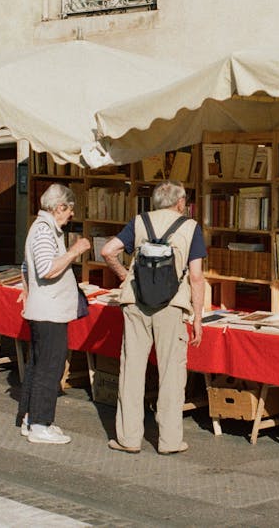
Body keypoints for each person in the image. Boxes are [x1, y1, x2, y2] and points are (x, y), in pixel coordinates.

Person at [100, 180, 206, 455]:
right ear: (181, 203)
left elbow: (107, 251)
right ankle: (170, 440)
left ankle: (129, 438)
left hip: (136, 303)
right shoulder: (190, 228)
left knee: (132, 369)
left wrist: (125, 276)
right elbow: (196, 276)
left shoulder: (138, 222)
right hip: (172, 306)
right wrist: (197, 317)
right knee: (172, 372)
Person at [17, 183, 91, 444]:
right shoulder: (44, 231)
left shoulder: (45, 229)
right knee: (50, 367)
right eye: (69, 210)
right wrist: (74, 251)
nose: (71, 215)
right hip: (49, 312)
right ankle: (39, 424)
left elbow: (27, 267)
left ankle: (30, 418)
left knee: (39, 365)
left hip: (46, 308)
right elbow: (47, 268)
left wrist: (28, 290)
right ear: (60, 207)